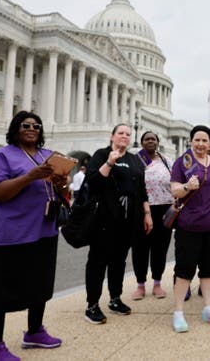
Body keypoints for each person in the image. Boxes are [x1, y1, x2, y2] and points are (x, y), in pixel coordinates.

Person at [0, 111, 67, 361]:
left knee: (39, 284)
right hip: (11, 233)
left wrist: (61, 181)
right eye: (26, 125)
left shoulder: (47, 155)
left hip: (43, 229)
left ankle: (34, 332)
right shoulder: (2, 155)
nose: (32, 128)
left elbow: (58, 190)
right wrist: (30, 176)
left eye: (36, 125)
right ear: (15, 128)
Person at [170, 125, 210, 333]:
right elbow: (175, 191)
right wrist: (187, 186)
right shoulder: (182, 163)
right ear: (191, 142)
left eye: (204, 141)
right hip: (189, 226)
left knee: (209, 270)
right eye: (197, 140)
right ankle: (178, 312)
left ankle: (208, 308)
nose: (200, 144)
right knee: (184, 270)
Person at [84, 124, 152, 324]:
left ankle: (115, 298)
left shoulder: (133, 159)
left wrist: (147, 214)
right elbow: (92, 182)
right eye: (121, 133)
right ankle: (92, 305)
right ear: (112, 136)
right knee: (98, 262)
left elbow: (141, 189)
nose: (124, 136)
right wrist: (109, 163)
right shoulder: (101, 154)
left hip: (128, 219)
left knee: (118, 262)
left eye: (128, 134)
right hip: (104, 218)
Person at [131, 131, 174, 300]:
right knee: (140, 248)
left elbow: (175, 181)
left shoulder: (166, 161)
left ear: (158, 142)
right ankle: (140, 284)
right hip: (141, 209)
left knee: (160, 247)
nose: (150, 141)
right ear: (141, 143)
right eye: (147, 139)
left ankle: (157, 282)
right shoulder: (136, 160)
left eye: (153, 139)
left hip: (164, 209)